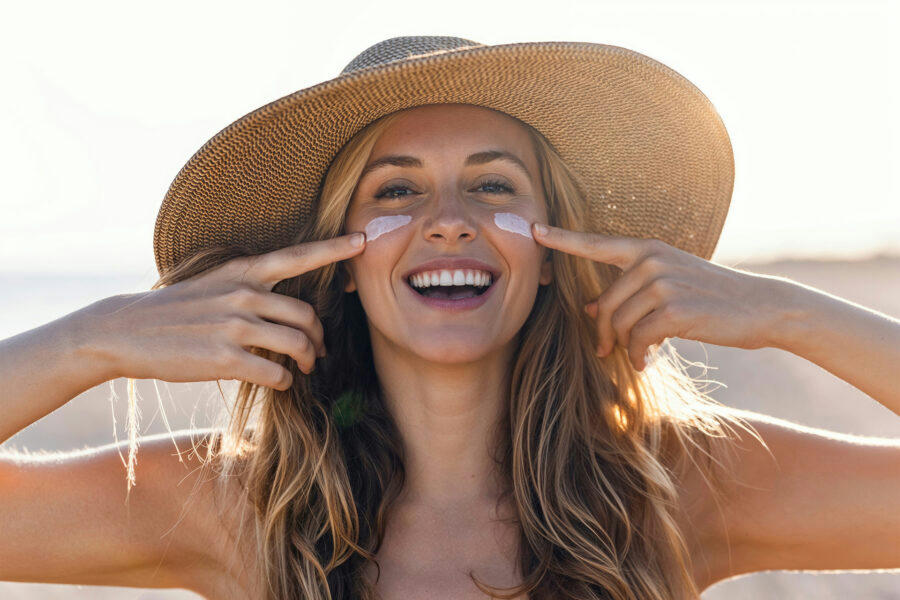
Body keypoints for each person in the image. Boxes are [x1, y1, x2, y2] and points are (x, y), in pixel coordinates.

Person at [1, 36, 898, 600]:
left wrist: (789, 312)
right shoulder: (236, 508)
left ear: (553, 253)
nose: (449, 220)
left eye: (494, 184)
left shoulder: (680, 486)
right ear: (337, 264)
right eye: (396, 190)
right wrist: (96, 339)